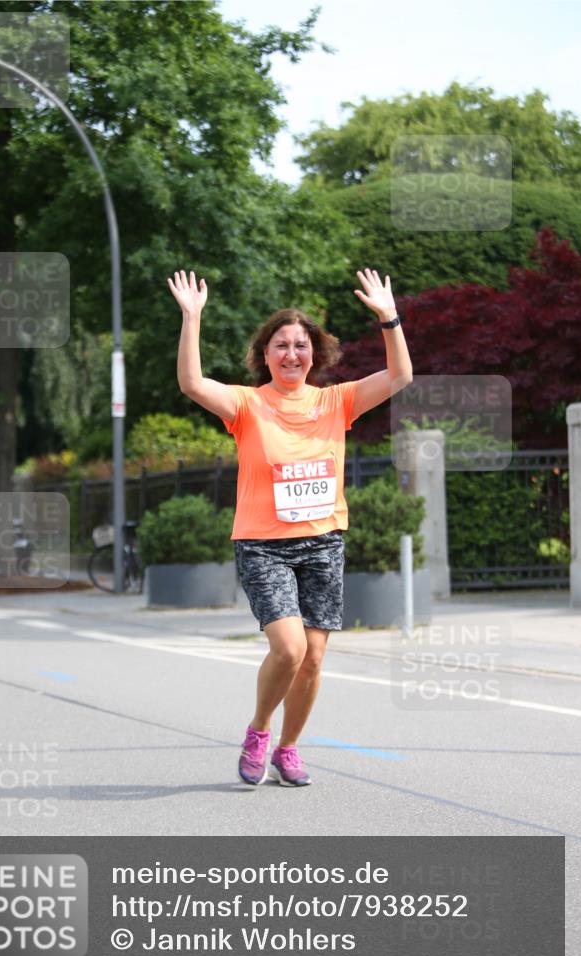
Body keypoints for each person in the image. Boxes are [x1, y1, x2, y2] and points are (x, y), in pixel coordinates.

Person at [168, 268, 412, 788]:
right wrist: (192, 318)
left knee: (315, 658)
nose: (292, 354)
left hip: (323, 542)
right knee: (289, 647)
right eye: (281, 345)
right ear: (265, 354)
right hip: (263, 546)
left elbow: (399, 378)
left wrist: (389, 318)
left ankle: (289, 749)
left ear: (314, 353)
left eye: (301, 345)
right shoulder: (247, 404)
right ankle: (259, 730)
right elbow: (191, 383)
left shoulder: (335, 402)